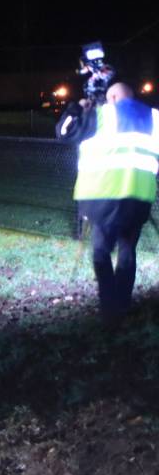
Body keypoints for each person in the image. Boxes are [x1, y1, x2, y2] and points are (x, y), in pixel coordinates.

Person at [57, 82, 159, 323]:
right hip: (138, 200)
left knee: (101, 253)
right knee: (127, 252)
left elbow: (64, 133)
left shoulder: (101, 115)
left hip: (102, 198)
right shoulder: (155, 118)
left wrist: (76, 108)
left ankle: (109, 306)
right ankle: (122, 303)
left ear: (112, 97)